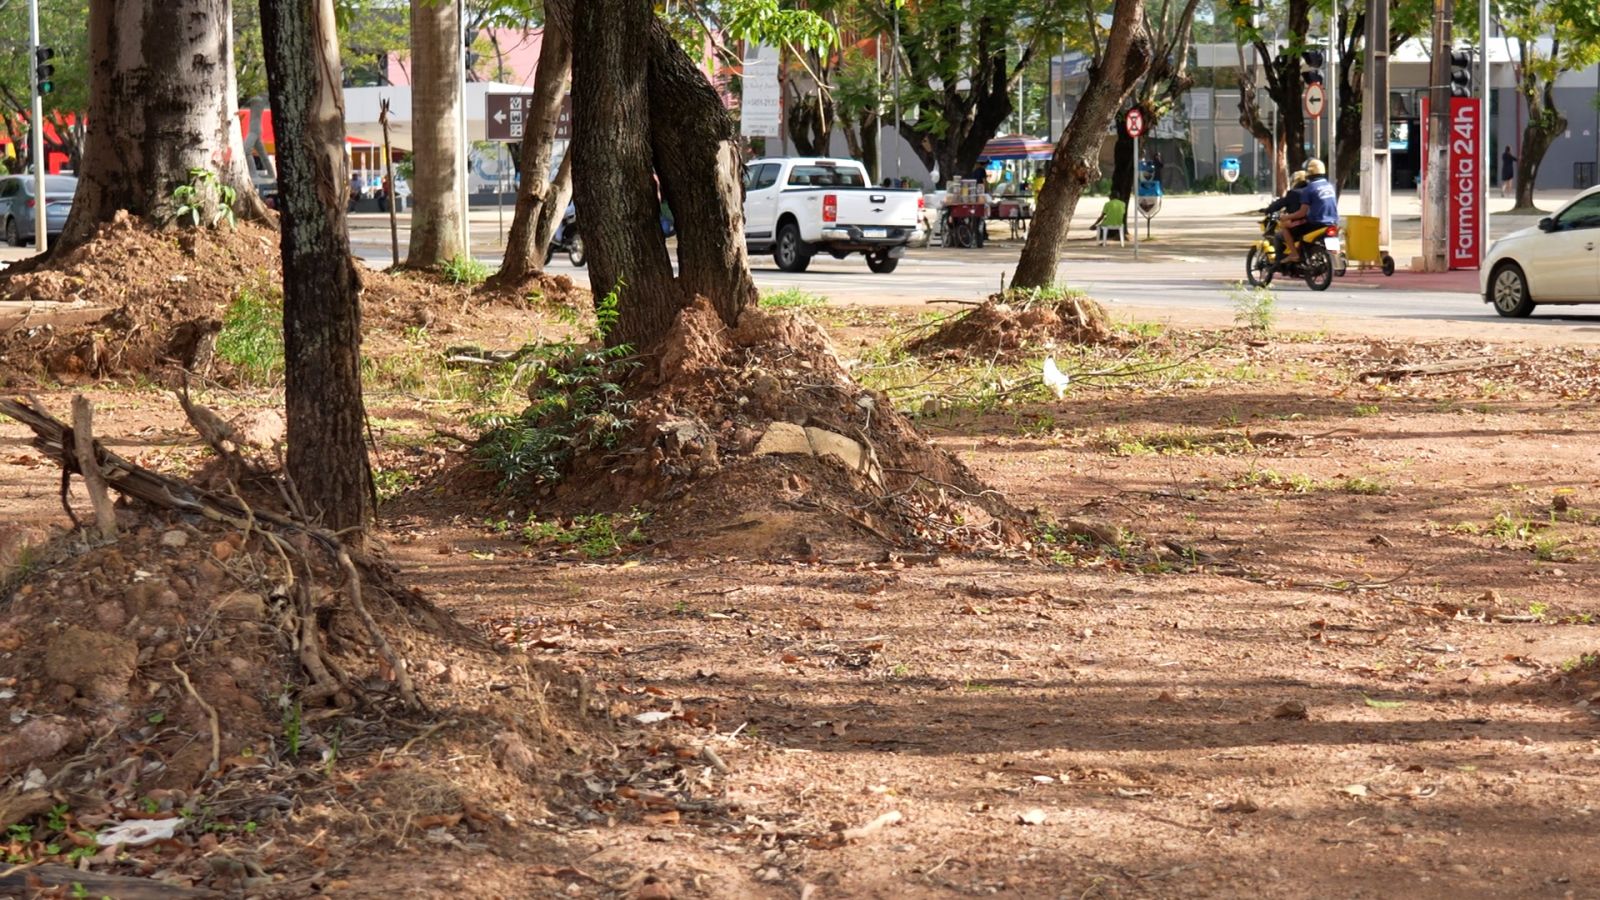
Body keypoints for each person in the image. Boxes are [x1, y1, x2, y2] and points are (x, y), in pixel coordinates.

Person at [1284, 159, 1336, 262]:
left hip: (1315, 223)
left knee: (1285, 227)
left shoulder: (1310, 189)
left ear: (1309, 173)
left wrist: (1287, 217)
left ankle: (1294, 254)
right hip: (1333, 222)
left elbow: (1302, 213)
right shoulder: (1330, 186)